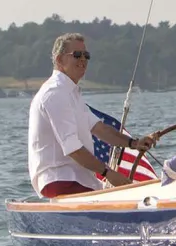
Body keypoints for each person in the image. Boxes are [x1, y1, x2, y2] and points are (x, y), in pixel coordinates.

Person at [28, 33, 155, 198]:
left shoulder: (70, 93)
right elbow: (72, 148)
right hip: (60, 180)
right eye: (77, 55)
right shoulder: (55, 93)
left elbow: (101, 129)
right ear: (59, 60)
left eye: (86, 55)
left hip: (79, 180)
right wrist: (108, 173)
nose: (83, 59)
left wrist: (134, 143)